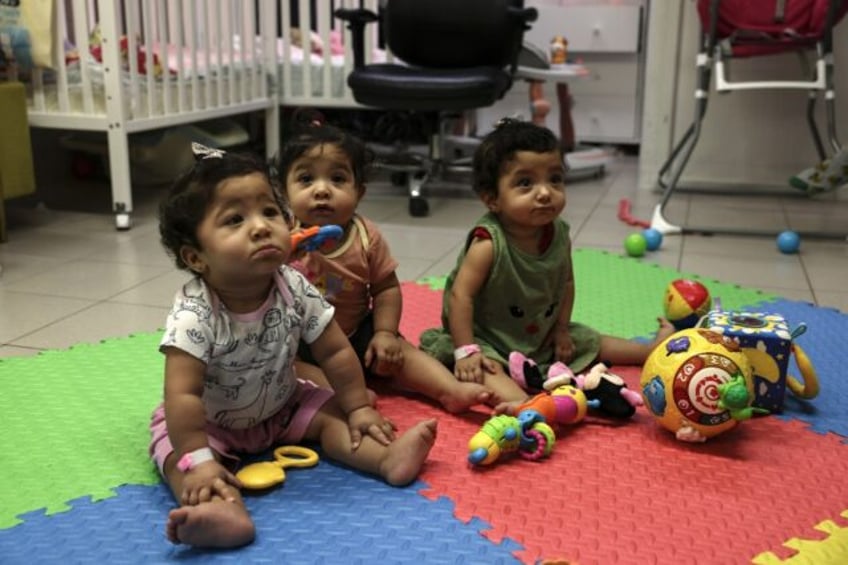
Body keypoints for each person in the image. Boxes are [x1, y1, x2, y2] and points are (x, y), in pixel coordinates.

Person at [150, 143, 437, 549]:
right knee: (182, 462)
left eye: (269, 211)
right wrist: (196, 459)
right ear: (196, 257)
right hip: (211, 424)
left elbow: (335, 351)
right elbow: (182, 395)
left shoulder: (294, 285)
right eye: (234, 220)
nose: (261, 226)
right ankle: (220, 512)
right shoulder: (195, 313)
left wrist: (357, 406)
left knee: (331, 415)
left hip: (283, 405)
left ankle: (384, 459)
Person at [420, 119, 674, 403]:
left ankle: (651, 349)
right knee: (486, 371)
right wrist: (466, 349)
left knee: (590, 340)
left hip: (541, 337)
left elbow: (565, 282)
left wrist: (562, 329)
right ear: (492, 199)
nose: (545, 192)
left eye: (554, 179)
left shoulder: (559, 233)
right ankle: (525, 405)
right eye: (525, 183)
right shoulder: (488, 244)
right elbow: (460, 296)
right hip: (487, 340)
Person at [276, 112, 495, 413]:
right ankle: (350, 394)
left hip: (356, 335)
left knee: (402, 352)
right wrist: (281, 254)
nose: (322, 189)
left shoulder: (366, 236)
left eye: (338, 179)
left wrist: (385, 333)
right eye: (306, 179)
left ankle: (449, 390)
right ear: (285, 192)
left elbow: (385, 289)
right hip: (303, 346)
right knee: (287, 370)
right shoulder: (281, 239)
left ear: (359, 191)